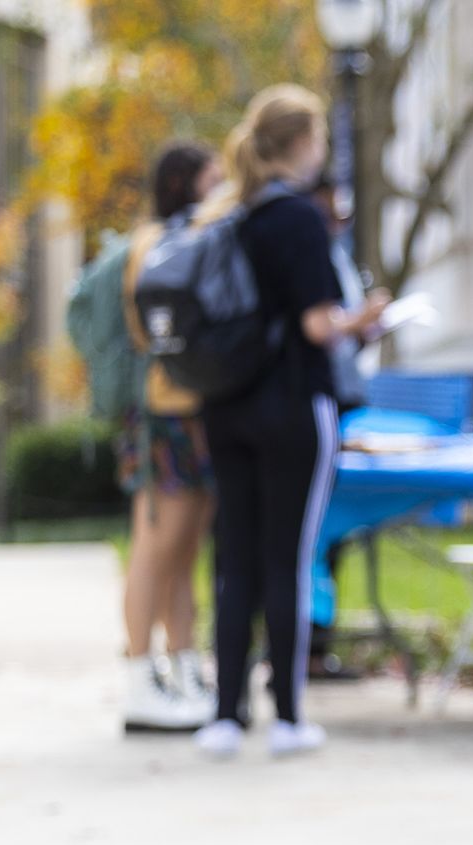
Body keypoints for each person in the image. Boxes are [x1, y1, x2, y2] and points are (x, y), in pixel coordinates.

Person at [189, 85, 391, 760]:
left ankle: (224, 715)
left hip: (225, 404)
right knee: (289, 558)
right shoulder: (300, 221)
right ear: (301, 144)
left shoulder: (228, 217)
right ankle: (289, 717)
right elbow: (316, 323)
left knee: (234, 559)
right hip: (290, 404)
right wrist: (364, 321)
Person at [113, 142, 223, 733]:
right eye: (212, 176)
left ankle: (183, 668)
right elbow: (145, 330)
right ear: (184, 181)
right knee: (155, 549)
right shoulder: (156, 244)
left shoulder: (176, 238)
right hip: (166, 412)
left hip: (194, 410)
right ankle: (138, 676)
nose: (221, 185)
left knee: (183, 553)